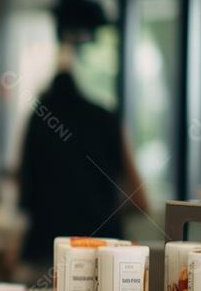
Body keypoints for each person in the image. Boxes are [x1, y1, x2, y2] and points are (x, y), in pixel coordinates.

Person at [17, 72, 148, 272]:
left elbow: (26, 192)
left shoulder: (38, 120)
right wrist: (105, 211)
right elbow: (140, 201)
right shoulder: (107, 118)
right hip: (105, 253)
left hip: (47, 253)